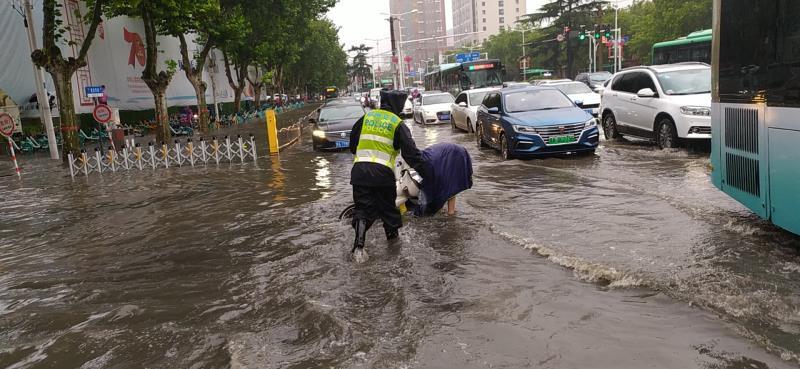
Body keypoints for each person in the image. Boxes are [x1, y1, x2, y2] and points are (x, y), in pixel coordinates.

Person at [349, 89, 426, 255]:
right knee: (388, 211)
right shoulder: (397, 123)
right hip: (383, 175)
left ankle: (359, 247)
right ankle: (394, 251)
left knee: (362, 209)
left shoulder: (367, 117)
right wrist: (426, 171)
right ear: (397, 105)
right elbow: (411, 154)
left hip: (359, 172)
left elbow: (352, 143)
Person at [412, 143, 473, 216]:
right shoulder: (424, 160)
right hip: (451, 154)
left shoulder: (427, 164)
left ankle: (451, 213)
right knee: (450, 186)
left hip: (455, 155)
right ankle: (451, 213)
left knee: (450, 186)